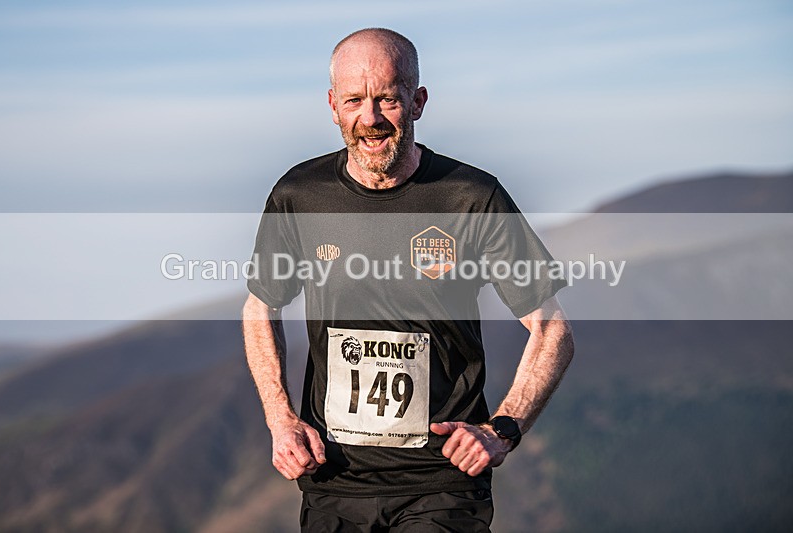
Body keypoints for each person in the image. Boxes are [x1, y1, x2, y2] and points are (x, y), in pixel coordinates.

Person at [243, 28, 574, 532]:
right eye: (354, 100)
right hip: (334, 482)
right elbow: (259, 307)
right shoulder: (298, 195)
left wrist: (502, 428)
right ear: (333, 105)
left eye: (388, 100)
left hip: (442, 484)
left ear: (418, 102)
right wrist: (281, 420)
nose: (370, 118)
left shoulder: (471, 197)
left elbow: (552, 329)